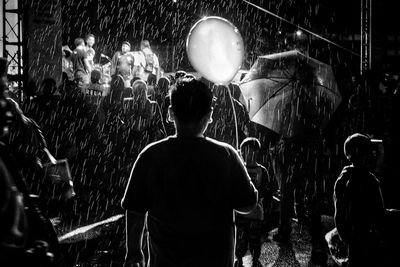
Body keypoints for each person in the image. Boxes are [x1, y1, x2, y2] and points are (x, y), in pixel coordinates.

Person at [121, 78, 258, 267]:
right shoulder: (226, 156)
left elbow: (135, 209)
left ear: (170, 113)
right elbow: (247, 204)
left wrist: (134, 252)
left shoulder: (151, 156)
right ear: (210, 115)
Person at [333, 133, 386, 266]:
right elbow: (380, 214)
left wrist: (344, 236)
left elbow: (339, 212)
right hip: (365, 237)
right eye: (369, 152)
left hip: (351, 237)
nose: (374, 155)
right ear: (362, 155)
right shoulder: (368, 181)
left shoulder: (344, 178)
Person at [235, 137, 273, 267]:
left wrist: (266, 211)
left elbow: (268, 192)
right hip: (241, 212)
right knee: (240, 238)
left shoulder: (262, 171)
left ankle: (255, 259)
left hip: (256, 212)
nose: (246, 154)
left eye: (249, 151)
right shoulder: (239, 168)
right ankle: (239, 258)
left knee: (255, 238)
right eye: (243, 151)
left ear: (256, 152)